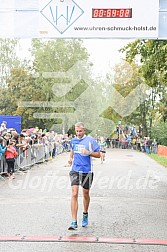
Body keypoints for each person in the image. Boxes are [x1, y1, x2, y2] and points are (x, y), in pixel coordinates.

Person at [68, 122, 100, 230]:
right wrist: (70, 158)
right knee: (74, 193)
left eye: (80, 131)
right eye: (77, 131)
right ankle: (73, 221)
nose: (78, 133)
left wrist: (88, 152)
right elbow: (72, 150)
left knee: (85, 193)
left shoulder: (90, 141)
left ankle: (85, 213)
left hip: (87, 171)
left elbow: (99, 154)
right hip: (75, 170)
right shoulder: (73, 140)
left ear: (84, 130)